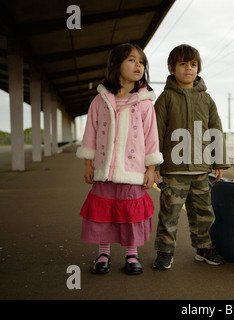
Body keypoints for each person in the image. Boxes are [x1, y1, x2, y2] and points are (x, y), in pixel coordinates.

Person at [76, 43, 163, 275]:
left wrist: (151, 168)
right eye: (132, 60)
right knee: (103, 213)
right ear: (117, 65)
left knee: (130, 214)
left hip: (133, 171)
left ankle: (131, 255)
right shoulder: (100, 101)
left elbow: (151, 138)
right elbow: (90, 134)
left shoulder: (144, 103)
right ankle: (103, 253)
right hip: (104, 170)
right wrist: (88, 163)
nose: (138, 65)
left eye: (142, 62)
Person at [153, 44, 230, 270]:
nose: (189, 69)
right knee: (170, 214)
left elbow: (216, 130)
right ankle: (165, 252)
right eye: (183, 64)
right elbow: (156, 131)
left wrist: (219, 161)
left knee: (204, 213)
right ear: (171, 68)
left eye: (193, 64)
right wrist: (155, 163)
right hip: (174, 170)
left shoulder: (207, 100)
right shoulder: (165, 98)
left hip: (200, 169)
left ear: (198, 69)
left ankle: (204, 248)